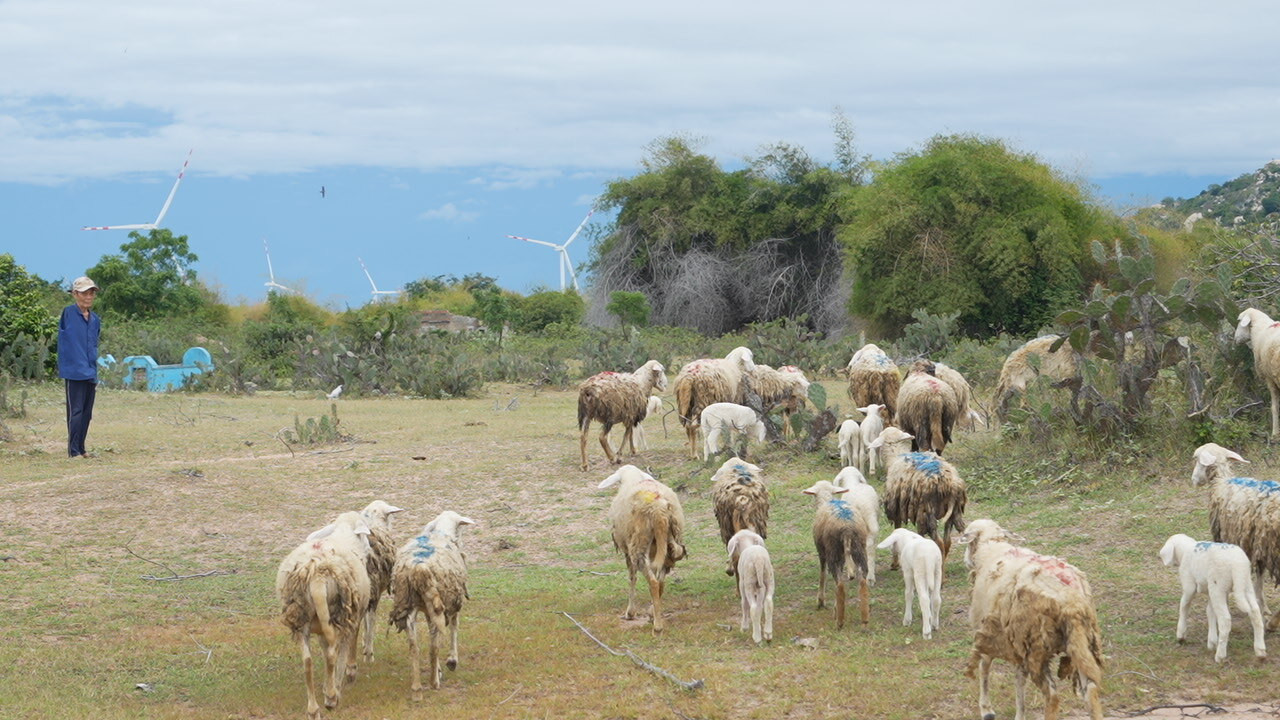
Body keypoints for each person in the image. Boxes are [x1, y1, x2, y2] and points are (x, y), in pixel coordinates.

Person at [58, 276, 101, 458]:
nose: (88, 297)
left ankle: (82, 448)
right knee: (75, 412)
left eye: (91, 293)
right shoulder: (68, 314)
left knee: (86, 413)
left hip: (90, 371)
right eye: (84, 293)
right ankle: (73, 450)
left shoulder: (95, 319)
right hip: (74, 371)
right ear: (75, 294)